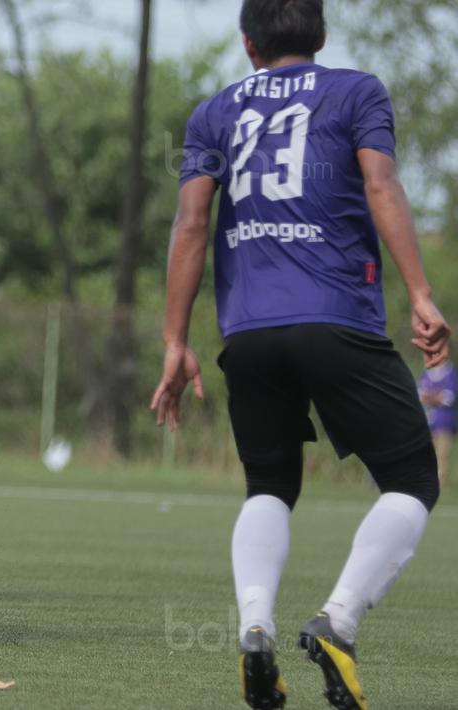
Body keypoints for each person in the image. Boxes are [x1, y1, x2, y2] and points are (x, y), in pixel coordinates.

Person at [151, 1, 451, 708]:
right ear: (318, 35)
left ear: (247, 44)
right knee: (412, 478)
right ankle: (337, 624)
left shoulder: (213, 113)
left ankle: (254, 625)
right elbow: (380, 184)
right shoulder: (354, 90)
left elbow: (191, 222)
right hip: (336, 318)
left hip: (247, 333)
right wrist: (420, 293)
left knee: (268, 487)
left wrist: (173, 341)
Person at [418, 362, 456, 484]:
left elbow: (449, 397)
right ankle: (425, 481)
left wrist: (431, 397)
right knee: (425, 454)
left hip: (444, 422)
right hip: (427, 422)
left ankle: (439, 484)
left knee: (442, 455)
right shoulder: (427, 373)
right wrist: (435, 396)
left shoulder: (450, 373)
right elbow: (420, 395)